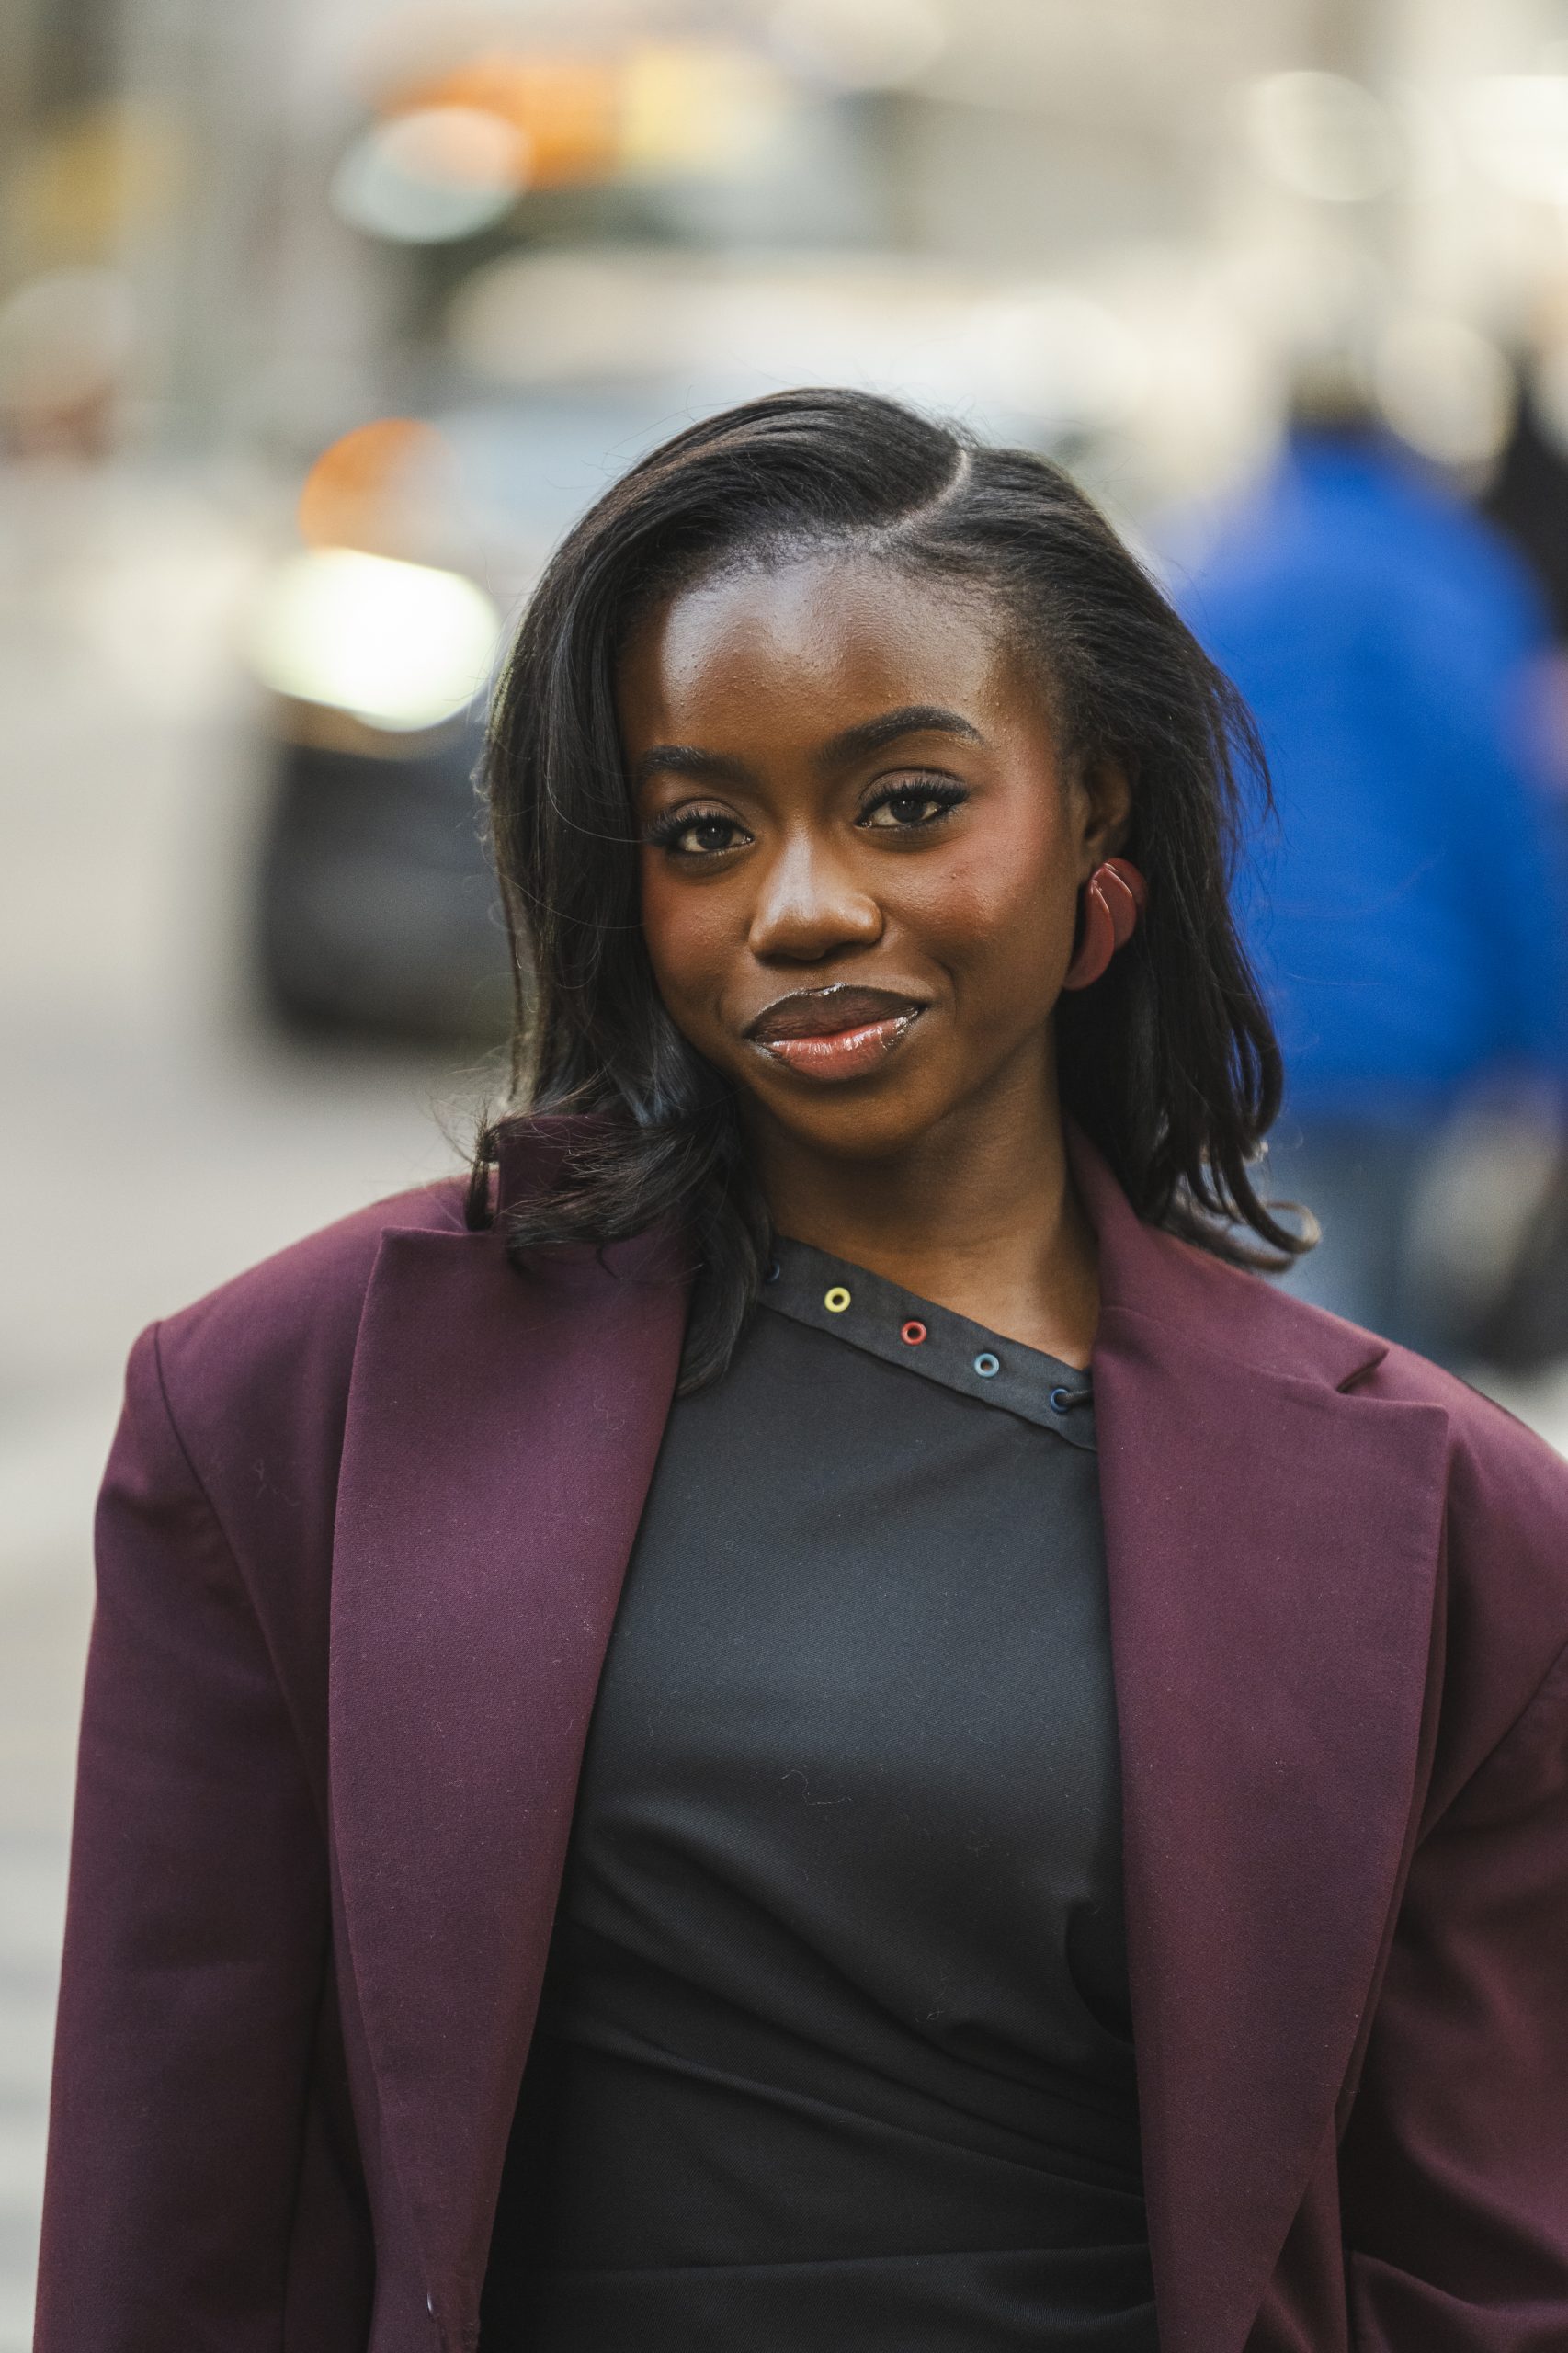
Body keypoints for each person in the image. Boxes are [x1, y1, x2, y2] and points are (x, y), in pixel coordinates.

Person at [36, 391, 1568, 2351]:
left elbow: (1486, 2277)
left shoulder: (1454, 1528)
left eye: (908, 802)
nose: (801, 905)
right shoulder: (280, 1408)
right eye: (701, 829)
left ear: (1096, 811)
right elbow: (174, 2227)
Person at [1172, 383, 1568, 1356]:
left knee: (1289, 1335)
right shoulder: (1455, 580)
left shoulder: (1214, 576)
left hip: (1246, 1029)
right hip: (1422, 1039)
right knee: (1399, 1363)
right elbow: (1510, 829)